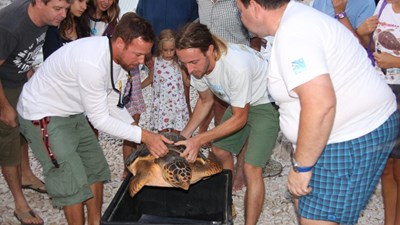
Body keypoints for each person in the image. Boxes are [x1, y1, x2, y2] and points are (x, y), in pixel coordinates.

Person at [237, 0, 399, 224]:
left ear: (254, 6)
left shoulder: (294, 35)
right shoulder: (298, 17)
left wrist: (303, 167)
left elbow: (320, 102)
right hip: (342, 131)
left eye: (240, 9)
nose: (240, 17)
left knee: (316, 217)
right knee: (304, 203)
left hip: (348, 137)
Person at [17, 12, 172, 225]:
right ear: (119, 43)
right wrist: (144, 136)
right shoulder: (92, 62)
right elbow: (99, 120)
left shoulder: (117, 58)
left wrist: (136, 128)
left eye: (145, 56)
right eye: (137, 54)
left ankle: (95, 222)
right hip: (43, 113)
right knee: (70, 179)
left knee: (95, 168)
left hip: (72, 109)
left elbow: (109, 99)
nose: (142, 61)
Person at [174, 23, 279, 225]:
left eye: (194, 62)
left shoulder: (235, 65)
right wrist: (185, 134)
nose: (189, 69)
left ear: (210, 50)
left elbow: (240, 118)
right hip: (240, 101)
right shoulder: (197, 67)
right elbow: (205, 101)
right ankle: (227, 195)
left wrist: (199, 139)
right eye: (184, 63)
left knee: (252, 168)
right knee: (219, 150)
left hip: (266, 102)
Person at [196, 0, 281, 192]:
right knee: (222, 119)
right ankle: (226, 169)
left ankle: (243, 168)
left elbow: (254, 34)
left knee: (243, 119)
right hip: (213, 69)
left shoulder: (238, 3)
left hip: (238, 67)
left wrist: (254, 60)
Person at [0, 0, 70, 224]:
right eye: (58, 9)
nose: (63, 14)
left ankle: (27, 176)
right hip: (4, 84)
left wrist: (30, 73)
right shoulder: (10, 27)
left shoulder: (46, 19)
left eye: (66, 8)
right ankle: (20, 204)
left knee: (25, 126)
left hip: (18, 77)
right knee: (8, 139)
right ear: (39, 2)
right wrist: (4, 107)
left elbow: (24, 51)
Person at [358, 0, 400, 224]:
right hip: (382, 90)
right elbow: (372, 49)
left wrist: (397, 61)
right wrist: (363, 34)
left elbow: (391, 56)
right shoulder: (383, 5)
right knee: (386, 167)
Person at [141, 29, 190, 134]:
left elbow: (186, 82)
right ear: (160, 48)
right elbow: (150, 79)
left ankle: (175, 149)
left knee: (177, 131)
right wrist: (137, 87)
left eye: (172, 50)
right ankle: (163, 149)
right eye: (165, 50)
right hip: (161, 104)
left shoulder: (180, 62)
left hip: (176, 103)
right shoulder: (156, 61)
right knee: (162, 132)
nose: (168, 53)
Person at [121, 66, 146, 179]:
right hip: (127, 95)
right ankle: (127, 169)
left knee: (135, 132)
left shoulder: (135, 63)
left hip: (135, 91)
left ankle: (135, 164)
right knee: (129, 134)